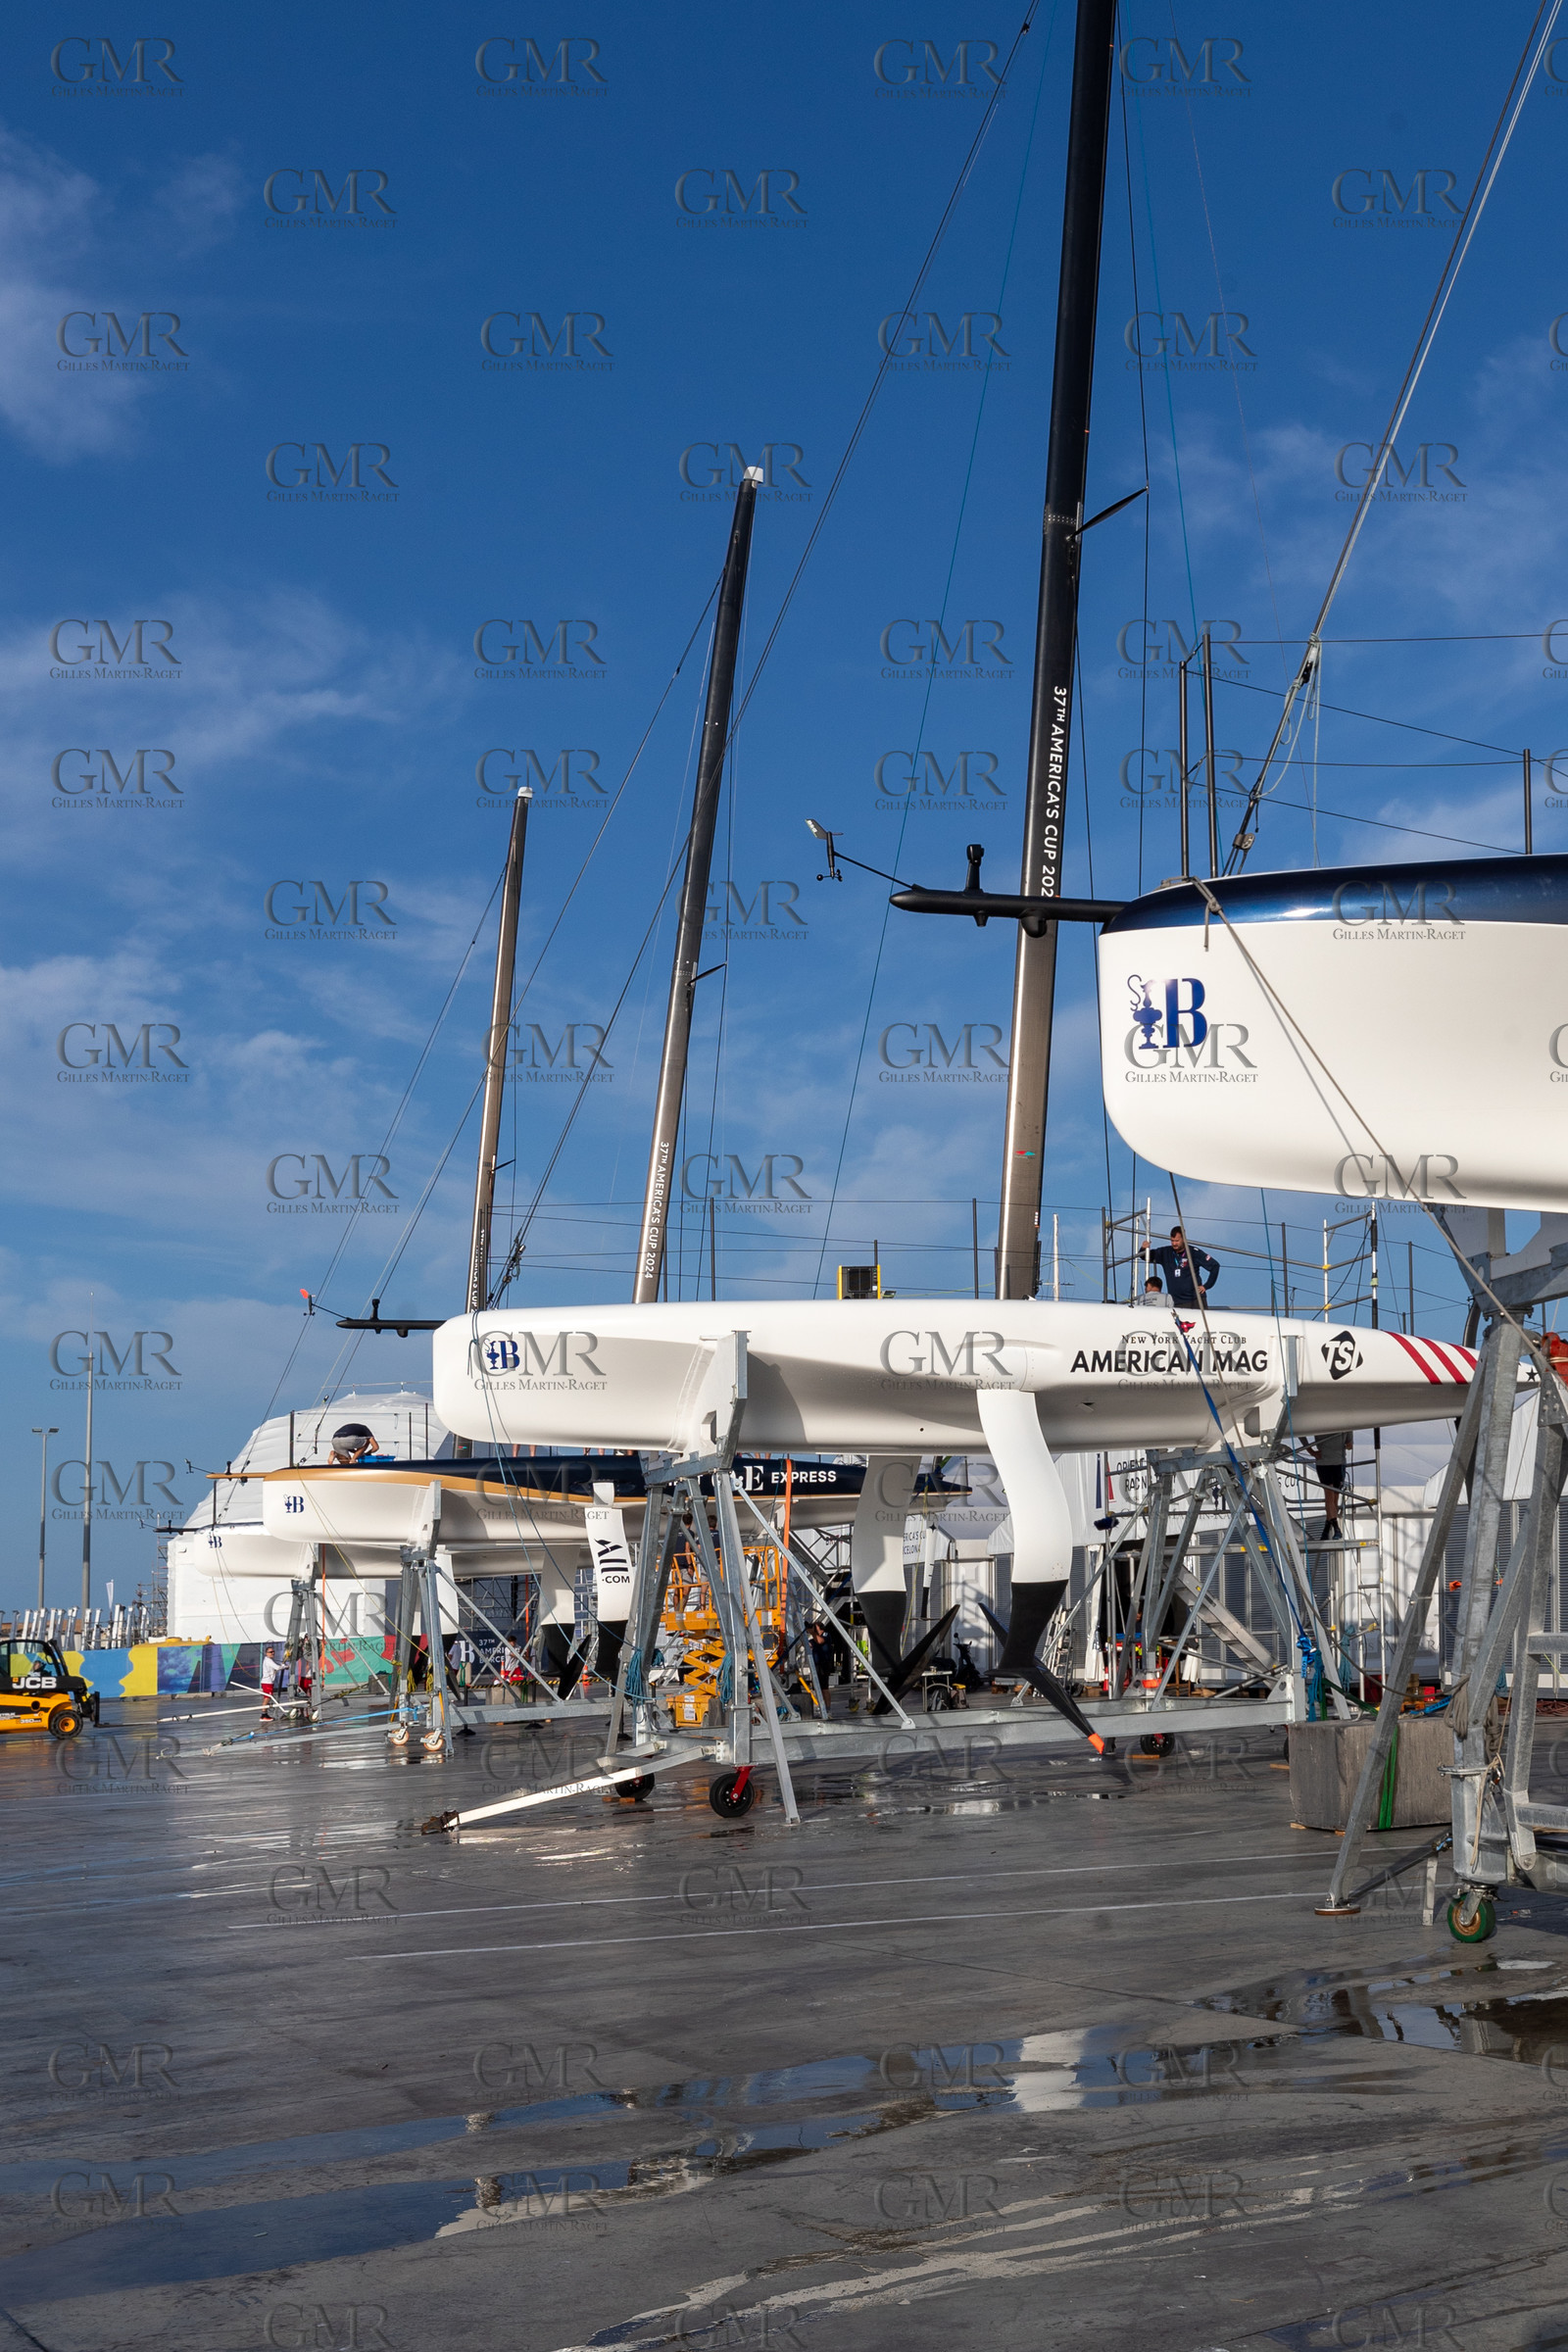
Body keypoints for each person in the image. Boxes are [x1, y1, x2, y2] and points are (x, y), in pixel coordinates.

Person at [1147, 1225, 1218, 1308]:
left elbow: (1215, 1266)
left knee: (1199, 1321)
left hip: (1195, 1300)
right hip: (1175, 1302)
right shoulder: (1166, 1252)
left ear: (1183, 1239)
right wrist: (1143, 1248)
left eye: (1177, 1241)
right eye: (1172, 1241)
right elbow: (1146, 1257)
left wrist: (1206, 1286)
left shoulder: (1194, 1252)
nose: (1174, 1243)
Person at [1303, 1432, 1349, 1542]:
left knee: (1334, 1498)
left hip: (1338, 1462)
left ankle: (1327, 1528)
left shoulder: (1346, 1421)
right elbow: (1300, 1432)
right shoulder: (1318, 1421)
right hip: (1324, 1463)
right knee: (1329, 1495)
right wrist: (1311, 1451)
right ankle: (1336, 1527)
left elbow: (1350, 1444)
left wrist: (1311, 1451)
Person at [328, 1421, 395, 1466]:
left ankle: (335, 1454)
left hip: (335, 1440)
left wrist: (358, 1452)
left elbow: (347, 1445)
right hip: (349, 1439)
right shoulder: (365, 1429)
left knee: (346, 1465)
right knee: (367, 1440)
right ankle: (353, 1460)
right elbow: (375, 1447)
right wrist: (367, 1453)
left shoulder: (356, 1431)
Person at [260, 1648, 278, 1717]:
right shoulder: (268, 1660)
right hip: (267, 1682)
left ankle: (265, 1714)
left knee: (267, 1697)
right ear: (266, 1653)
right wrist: (285, 1666)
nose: (272, 1653)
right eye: (270, 1652)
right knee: (267, 1697)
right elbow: (277, 1667)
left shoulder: (269, 1660)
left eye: (273, 1652)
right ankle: (263, 1714)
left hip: (269, 1682)